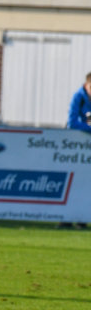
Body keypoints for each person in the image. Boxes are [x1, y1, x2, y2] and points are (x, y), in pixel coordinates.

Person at [61, 73, 91, 229]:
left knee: (86, 183)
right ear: (86, 85)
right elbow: (72, 123)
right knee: (71, 183)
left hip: (87, 149)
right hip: (73, 147)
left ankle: (82, 219)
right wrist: (88, 128)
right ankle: (65, 219)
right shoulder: (78, 97)